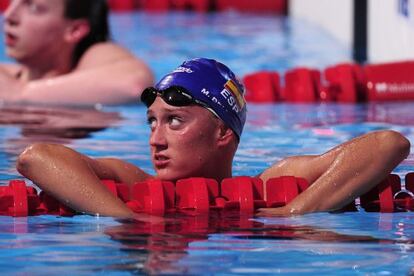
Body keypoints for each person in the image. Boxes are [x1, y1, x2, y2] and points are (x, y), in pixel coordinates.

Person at [16, 58, 411, 218]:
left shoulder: (273, 184)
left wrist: (295, 212)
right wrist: (127, 218)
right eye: (152, 122)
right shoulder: (132, 184)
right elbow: (36, 157)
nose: (155, 140)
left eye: (174, 121)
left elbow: (389, 144)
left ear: (223, 131)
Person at [0, 0, 153, 106]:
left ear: (75, 30)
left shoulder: (94, 56)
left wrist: (19, 94)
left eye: (33, 7)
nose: (8, 16)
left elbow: (134, 86)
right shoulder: (8, 76)